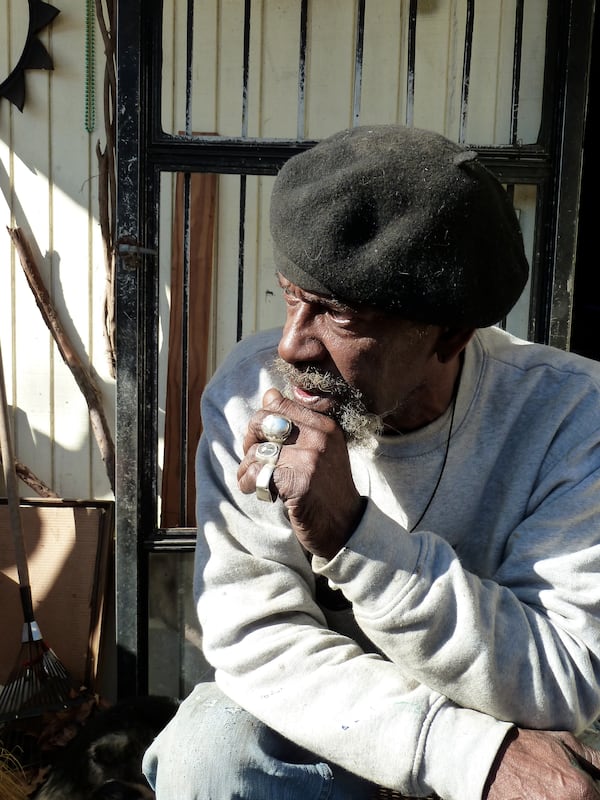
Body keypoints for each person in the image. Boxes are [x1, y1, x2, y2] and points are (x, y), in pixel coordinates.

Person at [143, 125, 600, 799]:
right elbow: (252, 639)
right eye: (291, 296)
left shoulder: (570, 415)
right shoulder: (253, 395)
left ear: (448, 333)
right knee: (211, 745)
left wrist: (352, 537)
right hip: (348, 729)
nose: (293, 345)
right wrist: (454, 750)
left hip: (513, 738)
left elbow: (565, 680)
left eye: (339, 316)